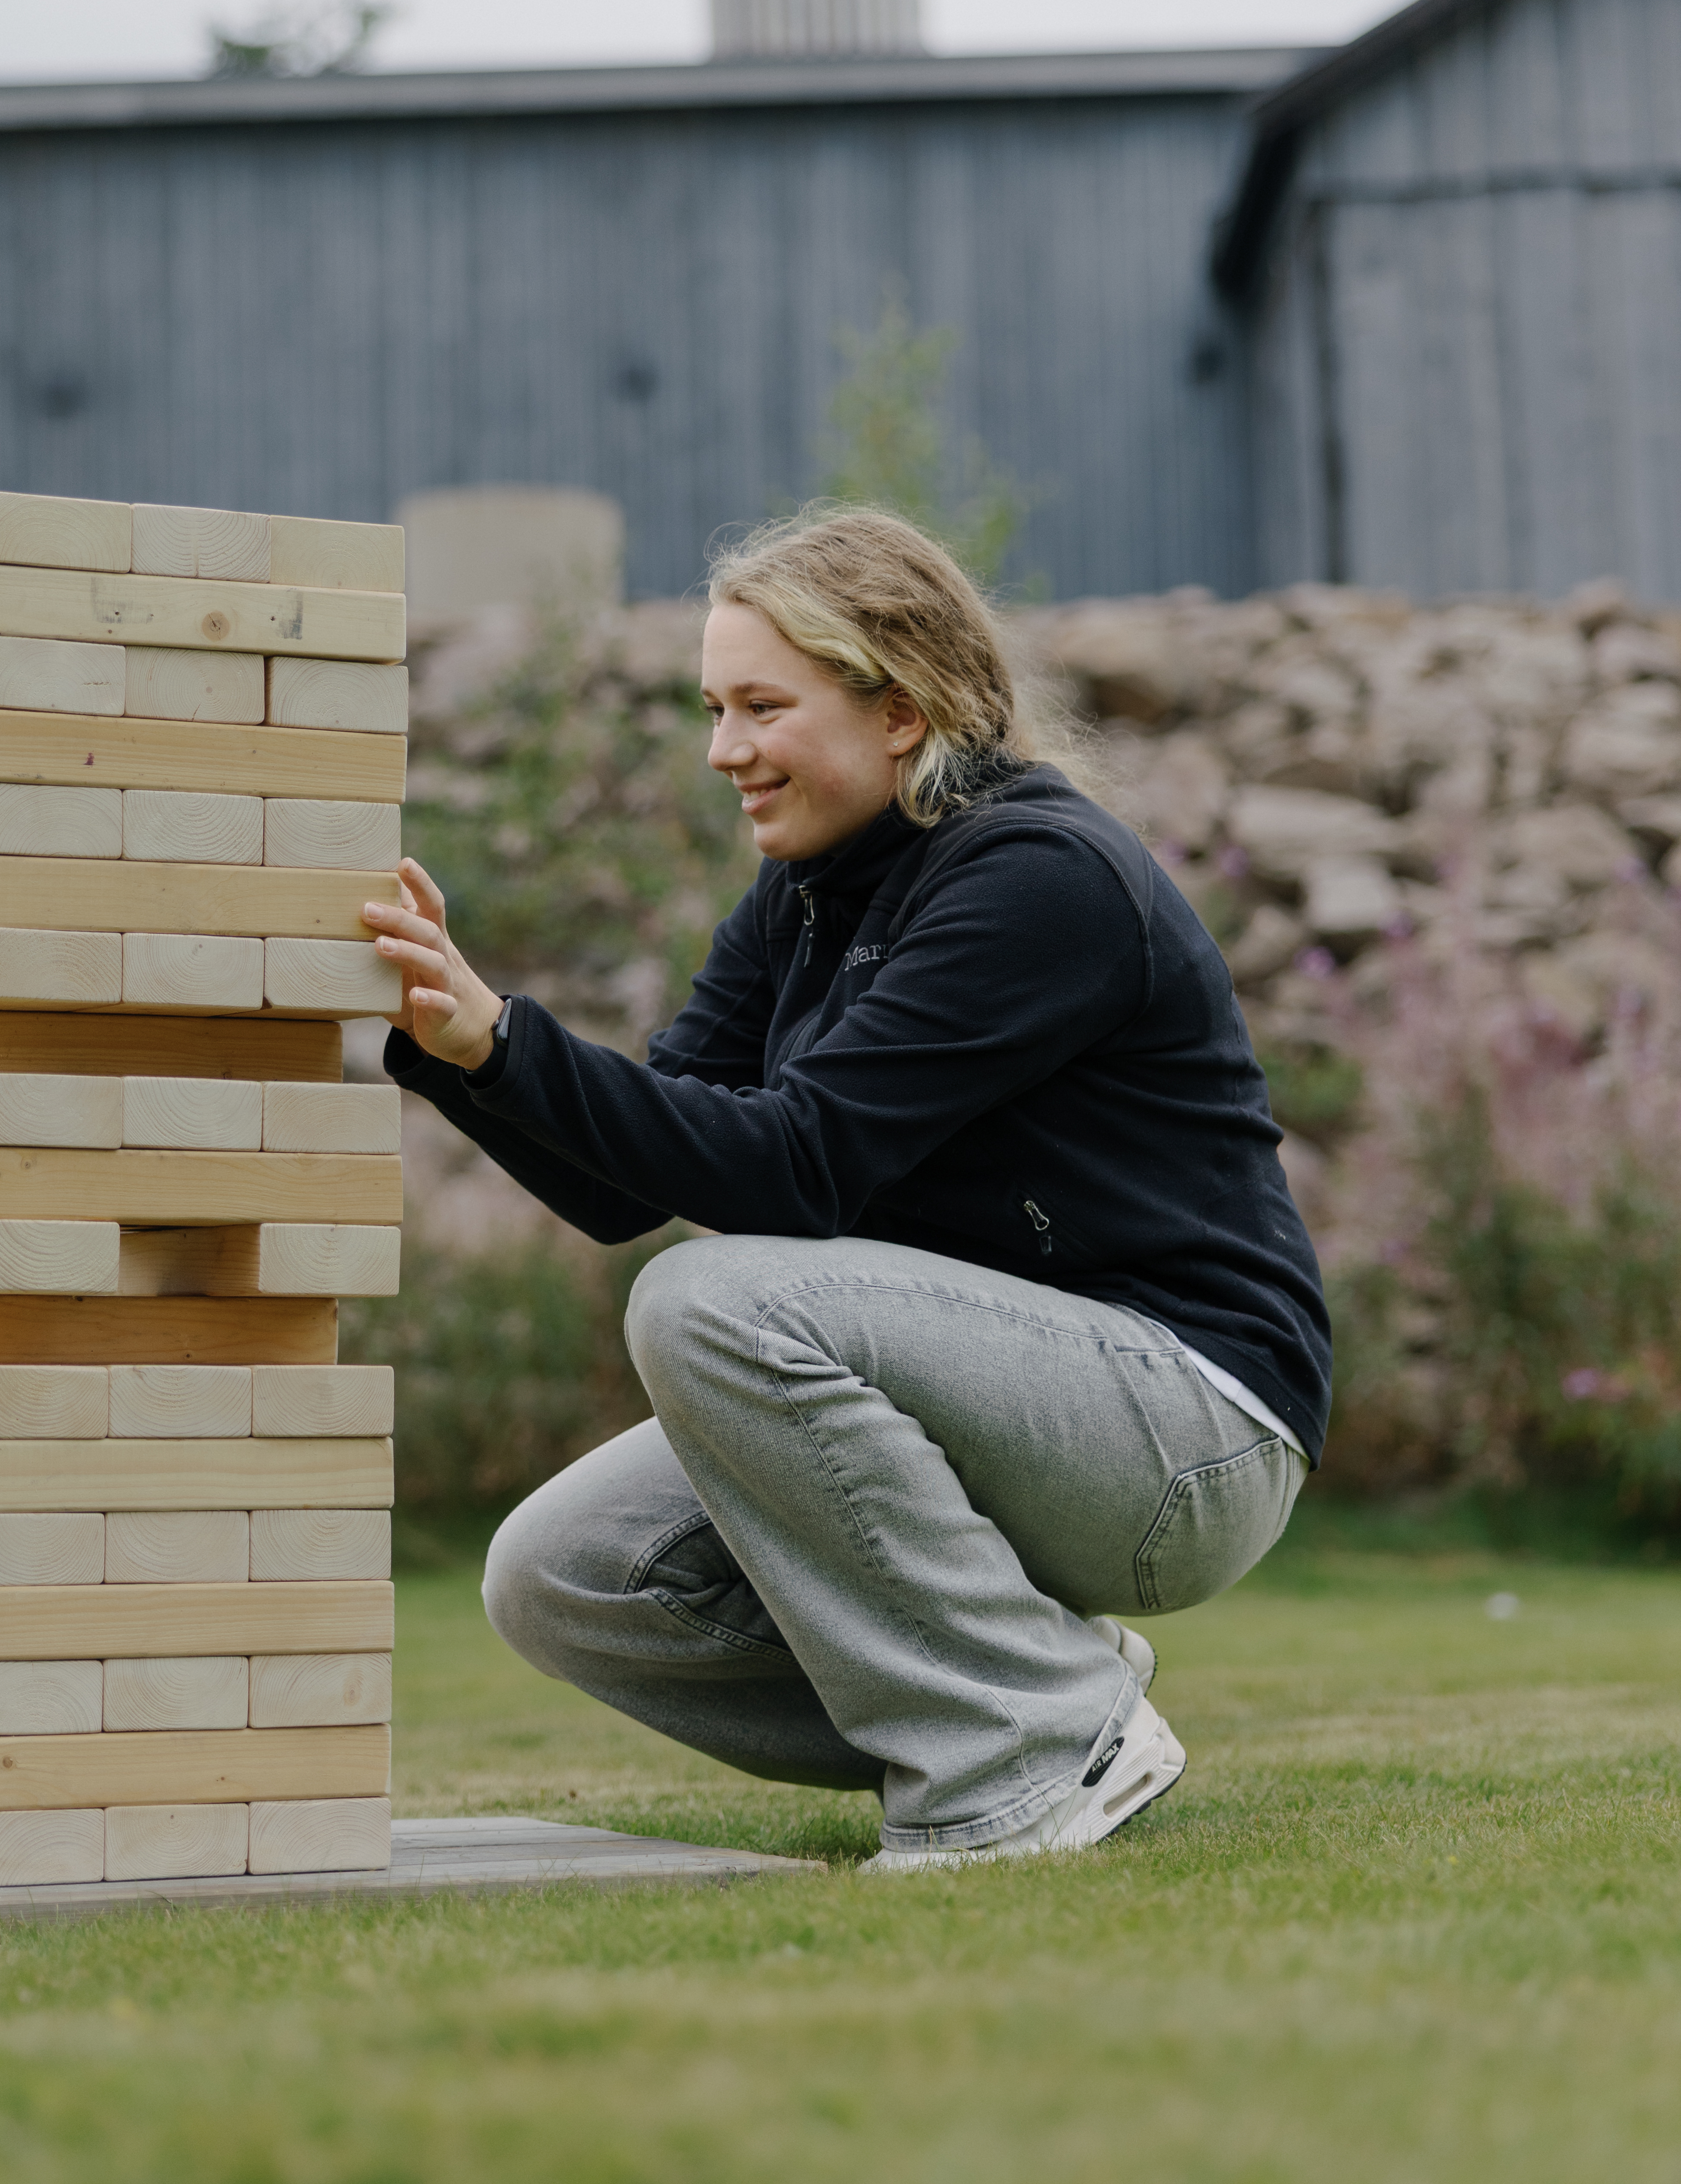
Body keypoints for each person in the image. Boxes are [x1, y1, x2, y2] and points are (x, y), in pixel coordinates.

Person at [369, 508, 1329, 1871]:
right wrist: (467, 1054)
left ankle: (1024, 1754)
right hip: (1016, 1412)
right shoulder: (805, 895)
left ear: (902, 707)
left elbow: (795, 1166)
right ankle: (1035, 1678)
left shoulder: (1038, 877)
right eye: (713, 707)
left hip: (1189, 1427)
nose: (723, 750)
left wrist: (509, 1039)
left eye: (762, 704)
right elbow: (617, 1190)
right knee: (562, 1578)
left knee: (708, 1300)